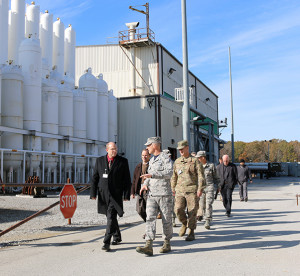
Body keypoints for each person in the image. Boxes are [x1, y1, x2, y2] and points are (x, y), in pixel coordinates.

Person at [90, 142, 131, 252]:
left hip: (116, 195)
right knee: (110, 216)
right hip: (103, 195)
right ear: (107, 150)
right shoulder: (99, 161)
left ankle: (106, 242)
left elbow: (127, 180)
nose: (114, 151)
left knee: (111, 216)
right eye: (112, 149)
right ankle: (117, 236)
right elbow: (95, 178)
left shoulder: (123, 161)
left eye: (116, 149)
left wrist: (126, 194)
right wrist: (93, 193)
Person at [136, 137, 173, 256]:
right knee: (150, 218)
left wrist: (153, 175)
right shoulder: (151, 160)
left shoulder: (165, 157)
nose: (147, 147)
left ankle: (166, 242)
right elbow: (148, 176)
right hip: (152, 194)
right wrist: (144, 184)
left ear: (155, 145)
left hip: (164, 194)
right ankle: (148, 245)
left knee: (166, 220)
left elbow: (169, 173)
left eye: (149, 145)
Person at [171, 140, 205, 241]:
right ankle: (184, 223)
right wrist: (172, 188)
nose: (180, 151)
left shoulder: (195, 161)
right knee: (178, 209)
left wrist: (200, 189)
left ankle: (191, 231)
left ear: (187, 148)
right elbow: (174, 176)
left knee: (192, 211)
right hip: (179, 190)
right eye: (179, 149)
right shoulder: (177, 161)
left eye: (182, 149)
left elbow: (201, 176)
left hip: (192, 190)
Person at [195, 151, 219, 229]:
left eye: (199, 158)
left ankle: (208, 219)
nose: (198, 159)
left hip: (209, 187)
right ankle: (201, 215)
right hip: (201, 188)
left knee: (208, 204)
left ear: (203, 157)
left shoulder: (211, 166)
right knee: (201, 205)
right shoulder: (197, 166)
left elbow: (216, 177)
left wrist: (219, 186)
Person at [131, 149, 151, 223]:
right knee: (139, 209)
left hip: (149, 191)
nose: (144, 157)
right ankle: (147, 221)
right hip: (140, 191)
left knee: (149, 210)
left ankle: (149, 227)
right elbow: (134, 180)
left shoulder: (151, 166)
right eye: (143, 155)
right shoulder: (138, 166)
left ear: (149, 156)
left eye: (146, 155)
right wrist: (132, 192)